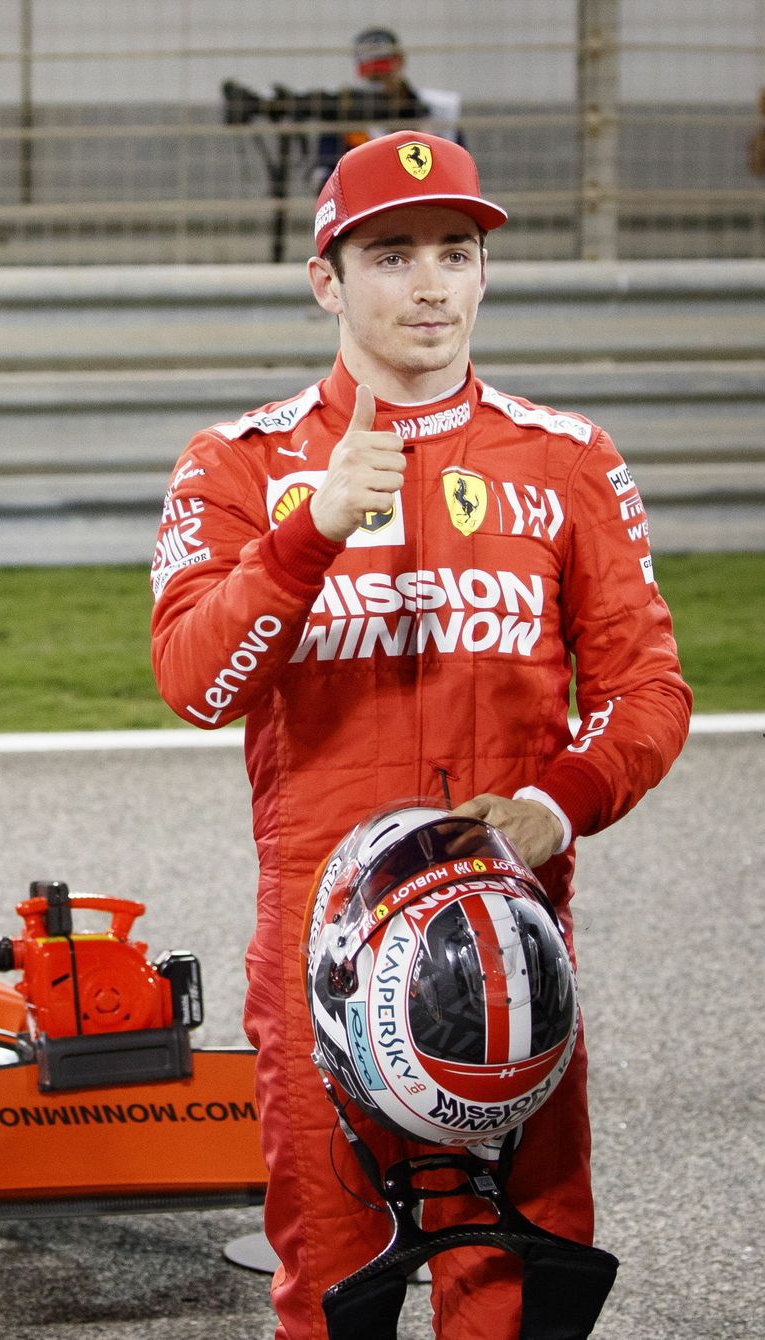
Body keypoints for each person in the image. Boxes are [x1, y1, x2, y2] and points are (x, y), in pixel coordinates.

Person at [149, 131, 691, 1339]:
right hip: (317, 950)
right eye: (391, 255)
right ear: (326, 279)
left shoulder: (568, 461)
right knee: (334, 1291)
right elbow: (194, 683)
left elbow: (646, 690)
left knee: (513, 1289)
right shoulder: (239, 466)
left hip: (513, 946)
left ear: (485, 271)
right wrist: (312, 530)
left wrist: (559, 800)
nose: (431, 284)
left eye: (456, 250)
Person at [314, 27, 461, 182]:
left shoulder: (439, 109)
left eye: (384, 72)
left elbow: (459, 166)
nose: (380, 84)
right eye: (373, 78)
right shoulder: (344, 112)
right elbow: (325, 175)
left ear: (401, 61)